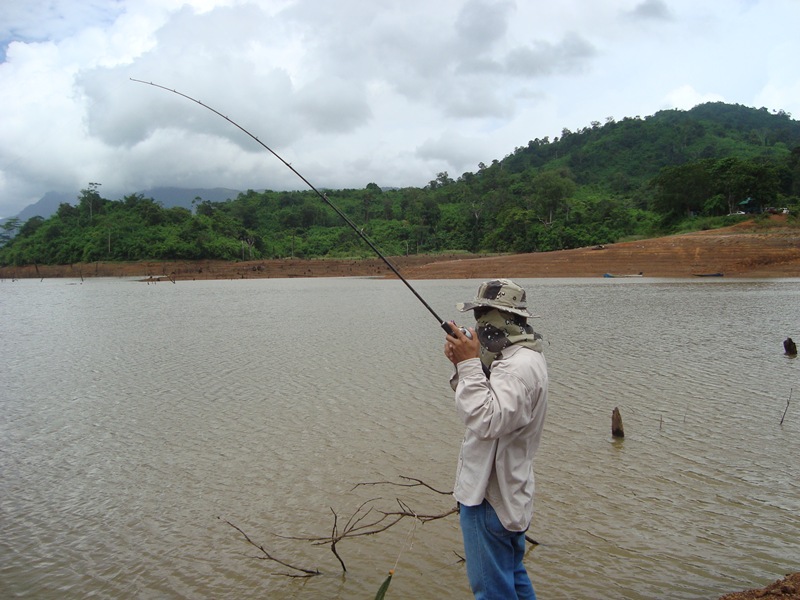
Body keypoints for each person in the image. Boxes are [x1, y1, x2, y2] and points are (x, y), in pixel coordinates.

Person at [444, 279, 548, 600]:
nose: (479, 325)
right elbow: (486, 405)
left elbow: (486, 420)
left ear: (504, 317)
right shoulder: (517, 357)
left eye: (484, 315)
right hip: (509, 493)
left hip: (490, 499)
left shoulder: (516, 367)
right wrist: (465, 365)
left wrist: (468, 364)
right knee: (514, 579)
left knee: (491, 592)